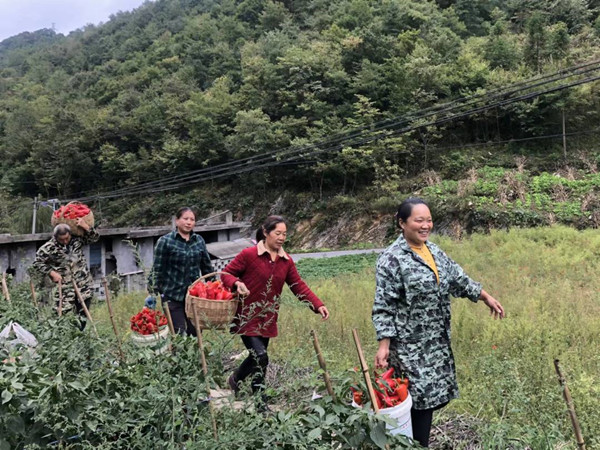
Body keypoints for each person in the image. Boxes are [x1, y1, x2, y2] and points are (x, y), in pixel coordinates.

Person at [372, 198, 505, 448]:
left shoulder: (433, 252)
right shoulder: (391, 259)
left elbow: (458, 279)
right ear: (402, 223)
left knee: (430, 400)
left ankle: (413, 443)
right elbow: (384, 305)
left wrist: (485, 297)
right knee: (419, 400)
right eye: (418, 220)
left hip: (435, 342)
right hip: (409, 346)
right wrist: (384, 344)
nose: (426, 225)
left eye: (429, 220)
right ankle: (413, 444)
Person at [221, 215, 330, 408]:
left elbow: (298, 285)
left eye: (284, 234)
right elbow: (226, 273)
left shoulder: (285, 261)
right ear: (266, 232)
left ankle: (235, 380)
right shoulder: (249, 254)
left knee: (257, 357)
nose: (281, 237)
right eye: (277, 233)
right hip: (247, 315)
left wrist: (317, 304)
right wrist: (236, 283)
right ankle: (259, 400)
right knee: (261, 356)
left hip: (268, 317)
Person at [147, 207, 214, 336]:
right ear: (177, 221)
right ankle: (179, 355)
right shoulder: (165, 241)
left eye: (192, 219)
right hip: (172, 294)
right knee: (178, 333)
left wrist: (214, 287)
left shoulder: (199, 240)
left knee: (195, 332)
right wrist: (152, 291)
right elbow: (157, 268)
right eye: (185, 219)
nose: (189, 222)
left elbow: (206, 267)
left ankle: (196, 356)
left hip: (194, 296)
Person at [29, 220, 99, 329]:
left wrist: (86, 227)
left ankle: (79, 336)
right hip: (65, 288)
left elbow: (94, 238)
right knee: (62, 315)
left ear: (70, 234)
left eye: (67, 238)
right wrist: (51, 272)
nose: (65, 241)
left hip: (83, 284)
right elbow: (37, 263)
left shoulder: (77, 241)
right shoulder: (48, 248)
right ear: (55, 237)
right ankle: (64, 338)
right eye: (61, 240)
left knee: (83, 314)